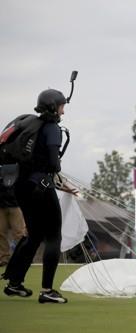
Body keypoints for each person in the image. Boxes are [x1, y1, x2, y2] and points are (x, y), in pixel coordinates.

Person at [2, 88, 71, 303]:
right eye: (61, 107)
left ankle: (14, 283)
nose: (63, 111)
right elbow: (52, 163)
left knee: (34, 235)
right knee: (54, 237)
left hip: (21, 187)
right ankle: (47, 291)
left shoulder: (30, 123)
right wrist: (56, 163)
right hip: (40, 188)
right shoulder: (52, 129)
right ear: (53, 107)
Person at [0, 185, 26, 267]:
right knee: (1, 233)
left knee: (19, 233)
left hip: (15, 204)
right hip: (1, 205)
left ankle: (22, 258)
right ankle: (3, 258)